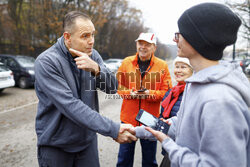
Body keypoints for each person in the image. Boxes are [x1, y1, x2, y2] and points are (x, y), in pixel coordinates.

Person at [140, 3, 250, 167]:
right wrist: (136, 131)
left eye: (179, 34)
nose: (174, 39)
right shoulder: (196, 82)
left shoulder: (219, 100)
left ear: (196, 39)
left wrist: (169, 145)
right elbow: (181, 124)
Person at [34, 11, 136, 167]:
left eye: (93, 35)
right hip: (56, 146)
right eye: (85, 36)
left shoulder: (92, 55)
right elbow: (70, 106)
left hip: (87, 143)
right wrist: (113, 129)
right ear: (67, 37)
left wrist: (97, 69)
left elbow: (113, 88)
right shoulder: (47, 62)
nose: (91, 41)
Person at [116, 32, 172, 167]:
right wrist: (130, 93)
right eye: (141, 43)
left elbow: (166, 93)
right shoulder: (126, 62)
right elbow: (118, 87)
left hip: (150, 121)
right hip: (128, 120)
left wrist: (149, 94)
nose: (143, 47)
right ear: (136, 44)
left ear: (154, 48)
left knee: (149, 160)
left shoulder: (162, 66)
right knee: (124, 159)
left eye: (147, 44)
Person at [135, 56, 193, 167]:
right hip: (168, 146)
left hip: (183, 151)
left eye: (183, 67)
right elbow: (164, 117)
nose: (178, 70)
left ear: (192, 70)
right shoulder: (171, 92)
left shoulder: (192, 93)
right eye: (177, 67)